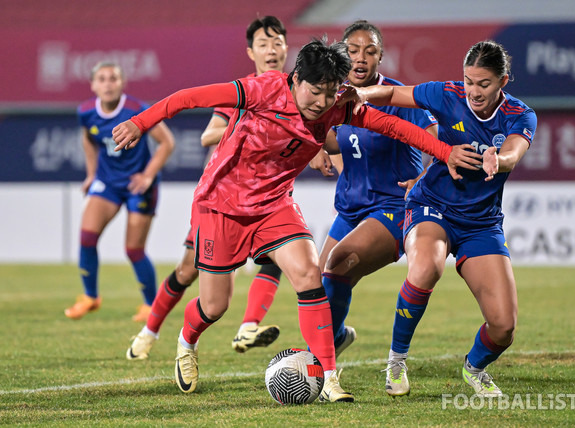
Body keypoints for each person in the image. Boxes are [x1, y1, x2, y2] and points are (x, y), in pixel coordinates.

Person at [112, 38, 483, 402]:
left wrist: (444, 152)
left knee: (309, 273)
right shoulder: (262, 90)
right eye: (315, 92)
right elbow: (189, 98)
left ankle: (327, 376)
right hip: (222, 204)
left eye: (330, 92)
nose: (322, 103)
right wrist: (140, 123)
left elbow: (393, 127)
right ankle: (186, 341)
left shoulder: (336, 106)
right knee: (214, 307)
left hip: (274, 205)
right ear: (295, 79)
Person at [341, 40, 537, 397]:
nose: (473, 91)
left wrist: (499, 160)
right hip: (432, 205)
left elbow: (513, 152)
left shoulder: (520, 115)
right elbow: (393, 95)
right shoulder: (446, 94)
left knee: (504, 327)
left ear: (503, 81)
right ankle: (397, 360)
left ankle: (474, 368)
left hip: (481, 222)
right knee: (426, 267)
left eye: (483, 84)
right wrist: (362, 94)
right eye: (468, 81)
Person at [126, 16, 289, 362]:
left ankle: (249, 326)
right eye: (263, 44)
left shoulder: (295, 91)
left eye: (278, 43)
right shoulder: (241, 91)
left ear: (287, 48)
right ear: (250, 52)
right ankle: (149, 331)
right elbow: (207, 135)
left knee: (284, 254)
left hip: (268, 196)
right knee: (188, 270)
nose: (271, 50)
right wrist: (251, 122)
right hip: (223, 198)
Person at [308, 21, 439, 374]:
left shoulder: (398, 96)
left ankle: (320, 367)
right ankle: (331, 341)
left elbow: (439, 143)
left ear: (381, 56)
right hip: (351, 207)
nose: (360, 58)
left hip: (393, 207)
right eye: (353, 51)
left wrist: (425, 177)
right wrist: (316, 145)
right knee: (315, 287)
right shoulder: (337, 97)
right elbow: (338, 141)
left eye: (370, 51)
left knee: (336, 268)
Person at [65, 61, 175, 321]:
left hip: (137, 185)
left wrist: (148, 176)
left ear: (122, 83)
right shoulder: (86, 112)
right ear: (93, 85)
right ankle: (90, 297)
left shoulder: (137, 109)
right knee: (87, 238)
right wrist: (92, 174)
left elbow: (167, 142)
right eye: (101, 79)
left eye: (113, 78)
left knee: (133, 249)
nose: (107, 84)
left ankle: (151, 305)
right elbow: (88, 140)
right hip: (108, 182)